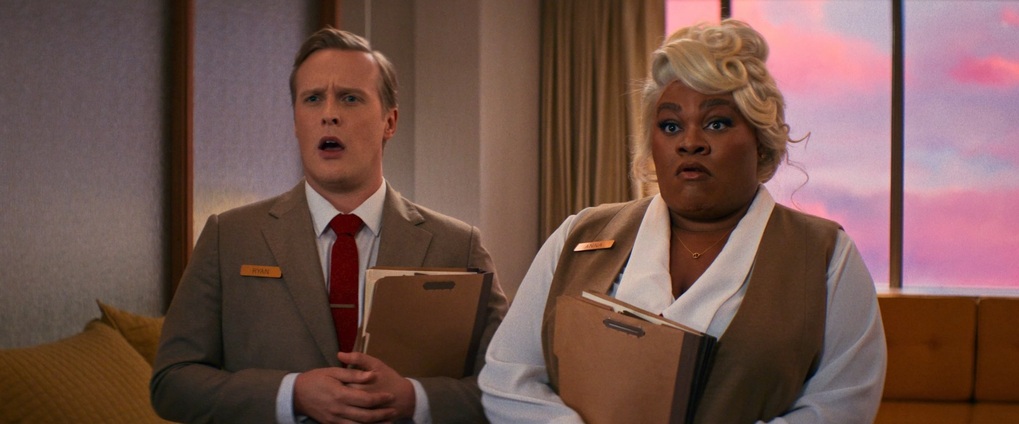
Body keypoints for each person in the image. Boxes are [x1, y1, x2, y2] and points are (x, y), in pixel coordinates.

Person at [478, 19, 885, 424]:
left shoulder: (825, 255)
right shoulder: (579, 235)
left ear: (761, 142)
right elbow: (507, 378)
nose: (690, 142)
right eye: (670, 125)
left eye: (717, 123)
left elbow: (842, 406)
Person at [151, 28, 508, 424]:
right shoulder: (230, 236)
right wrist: (292, 394)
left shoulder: (457, 245)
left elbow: (509, 388)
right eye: (313, 98)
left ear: (389, 122)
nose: (329, 113)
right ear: (296, 121)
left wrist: (414, 398)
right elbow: (172, 383)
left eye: (350, 98)